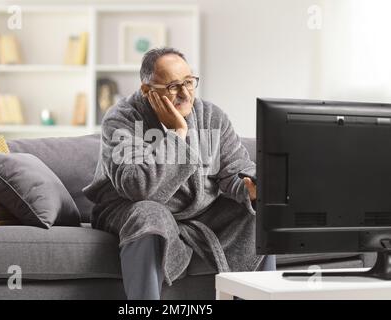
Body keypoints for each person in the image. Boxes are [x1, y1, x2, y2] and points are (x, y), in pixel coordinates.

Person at [83, 47, 276, 300]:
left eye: (189, 82)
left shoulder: (211, 116)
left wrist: (252, 187)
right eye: (173, 87)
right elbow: (138, 188)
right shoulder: (121, 120)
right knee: (150, 214)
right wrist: (177, 133)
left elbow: (236, 168)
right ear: (147, 91)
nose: (185, 93)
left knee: (258, 213)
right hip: (127, 207)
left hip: (198, 211)